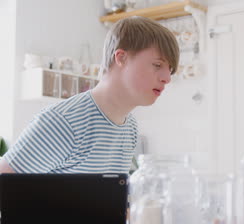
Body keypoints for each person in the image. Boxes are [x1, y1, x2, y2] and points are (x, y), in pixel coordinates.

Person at [0, 16, 179, 174]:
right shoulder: (64, 122)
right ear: (121, 58)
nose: (167, 78)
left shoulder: (129, 127)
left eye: (170, 70)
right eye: (157, 65)